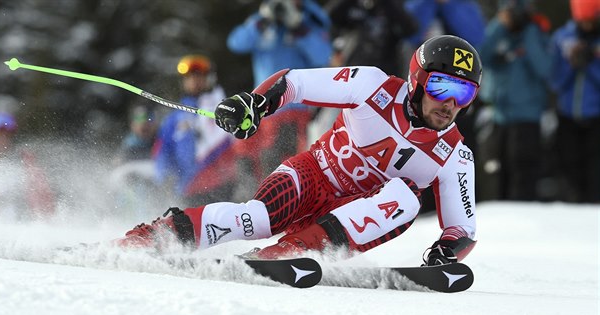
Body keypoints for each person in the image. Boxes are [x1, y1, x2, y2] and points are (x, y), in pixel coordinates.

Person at [116, 35, 481, 266]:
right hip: (311, 175)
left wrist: (447, 253)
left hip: (348, 216)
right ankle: (153, 237)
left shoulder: (455, 155)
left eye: (463, 93)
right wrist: (255, 103)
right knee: (256, 219)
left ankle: (290, 253)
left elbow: (462, 229)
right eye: (442, 86)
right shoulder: (372, 85)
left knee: (406, 199)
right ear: (418, 80)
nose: (449, 103)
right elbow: (295, 83)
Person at [226, 0, 332, 199]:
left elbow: (323, 56)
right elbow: (236, 43)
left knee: (283, 159)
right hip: (263, 106)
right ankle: (254, 202)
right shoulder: (264, 19)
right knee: (248, 153)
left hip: (296, 107)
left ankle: (282, 203)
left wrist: (299, 28)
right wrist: (262, 22)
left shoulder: (312, 18)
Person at [478, 0, 551, 201]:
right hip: (499, 115)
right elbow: (479, 56)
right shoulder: (498, 33)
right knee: (498, 169)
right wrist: (499, 26)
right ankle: (502, 217)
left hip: (527, 116)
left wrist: (529, 33)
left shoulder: (535, 34)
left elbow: (545, 69)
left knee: (523, 170)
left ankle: (524, 217)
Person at [154, 54, 237, 206]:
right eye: (189, 78)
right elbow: (162, 151)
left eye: (199, 77)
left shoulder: (225, 107)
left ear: (209, 79)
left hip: (226, 185)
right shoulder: (174, 118)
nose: (194, 81)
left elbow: (239, 141)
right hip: (190, 190)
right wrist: (165, 176)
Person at [549, 0, 600, 203]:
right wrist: (572, 64)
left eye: (592, 20)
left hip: (596, 118)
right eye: (583, 21)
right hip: (567, 115)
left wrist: (591, 65)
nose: (587, 25)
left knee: (595, 172)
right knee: (568, 169)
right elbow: (554, 81)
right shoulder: (563, 38)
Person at [0, 112, 55, 219]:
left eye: (5, 136)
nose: (0, 141)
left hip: (24, 223)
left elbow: (44, 197)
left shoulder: (26, 162)